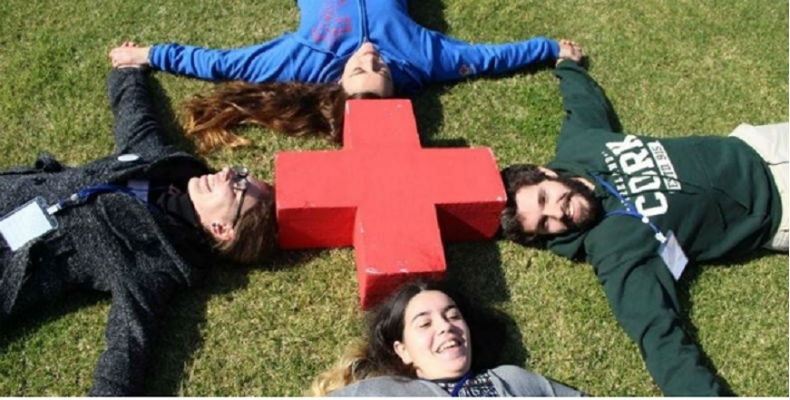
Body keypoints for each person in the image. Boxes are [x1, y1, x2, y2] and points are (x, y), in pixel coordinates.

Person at [498, 48, 788, 396]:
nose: (558, 214)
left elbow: (583, 104)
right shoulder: (613, 252)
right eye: (545, 225)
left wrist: (567, 66)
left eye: (544, 199)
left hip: (760, 144)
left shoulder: (578, 145)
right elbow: (659, 336)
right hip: (778, 207)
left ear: (545, 173)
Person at [0, 65, 278, 395]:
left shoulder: (156, 260)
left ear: (222, 229)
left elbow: (128, 350)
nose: (229, 171)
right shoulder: (161, 164)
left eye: (238, 188)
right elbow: (137, 119)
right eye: (242, 173)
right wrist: (128, 72)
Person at [108, 0, 582, 152]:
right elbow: (491, 58)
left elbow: (222, 64)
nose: (370, 57)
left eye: (360, 69)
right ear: (397, 87)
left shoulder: (303, 60)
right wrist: (549, 49)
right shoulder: (423, 59)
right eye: (380, 69)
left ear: (339, 82)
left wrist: (148, 54)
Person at [308, 279, 585, 396]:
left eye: (453, 316)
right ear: (403, 350)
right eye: (424, 323)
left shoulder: (512, 380)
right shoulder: (380, 392)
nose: (445, 327)